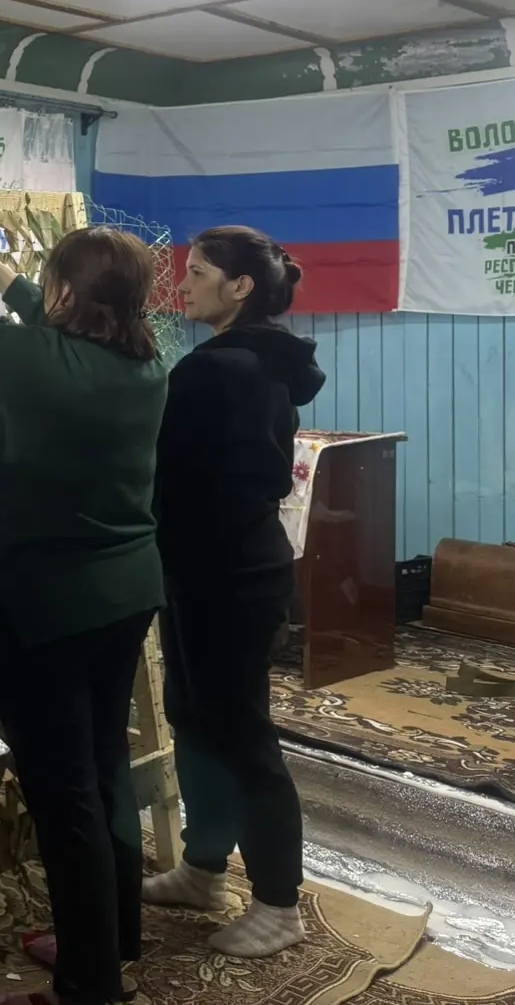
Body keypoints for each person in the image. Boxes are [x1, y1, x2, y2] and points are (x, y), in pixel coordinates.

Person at [0, 200, 167, 1005]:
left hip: (49, 609)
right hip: (123, 595)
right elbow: (45, 331)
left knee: (65, 794)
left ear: (67, 296)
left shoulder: (41, 364)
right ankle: (113, 937)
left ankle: (88, 983)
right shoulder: (140, 361)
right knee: (102, 768)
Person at [143, 226, 324, 958]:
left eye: (197, 272)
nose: (182, 285)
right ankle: (204, 867)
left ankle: (279, 904)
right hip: (210, 567)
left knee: (241, 734)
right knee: (195, 716)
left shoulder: (222, 369)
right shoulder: (255, 359)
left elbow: (183, 471)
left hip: (228, 577)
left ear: (240, 287)